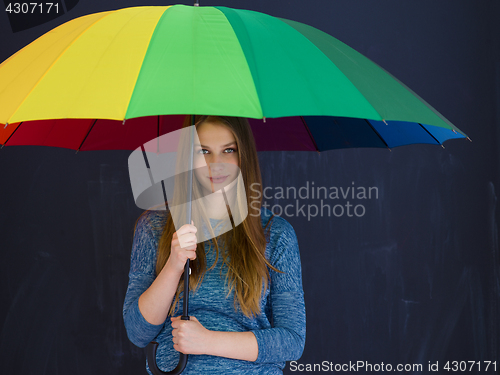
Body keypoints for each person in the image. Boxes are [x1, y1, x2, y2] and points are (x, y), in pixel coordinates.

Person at [123, 115, 306, 374]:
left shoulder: (275, 234)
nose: (215, 164)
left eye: (228, 150)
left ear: (244, 157)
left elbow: (292, 341)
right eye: (203, 151)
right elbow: (137, 332)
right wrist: (174, 266)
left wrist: (207, 341)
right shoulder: (154, 228)